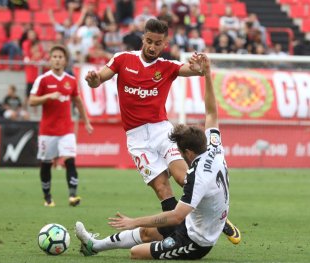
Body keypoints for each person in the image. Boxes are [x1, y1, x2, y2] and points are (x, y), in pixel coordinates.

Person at [84, 19, 240, 244]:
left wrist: (199, 67)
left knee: (183, 177)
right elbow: (99, 77)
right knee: (161, 187)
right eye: (149, 41)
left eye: (158, 43)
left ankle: (218, 216)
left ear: (164, 44)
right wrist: (93, 80)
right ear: (142, 38)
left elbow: (191, 70)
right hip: (137, 138)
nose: (152, 47)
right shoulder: (123, 59)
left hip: (162, 131)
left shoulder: (167, 66)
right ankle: (178, 231)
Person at [29, 45, 93, 207]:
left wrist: (86, 121)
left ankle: (73, 195)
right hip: (47, 131)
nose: (57, 59)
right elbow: (31, 101)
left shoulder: (70, 81)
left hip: (66, 130)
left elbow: (78, 101)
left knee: (70, 160)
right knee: (46, 163)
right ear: (50, 59)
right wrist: (48, 96)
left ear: (65, 61)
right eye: (54, 57)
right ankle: (47, 197)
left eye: (60, 57)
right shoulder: (42, 80)